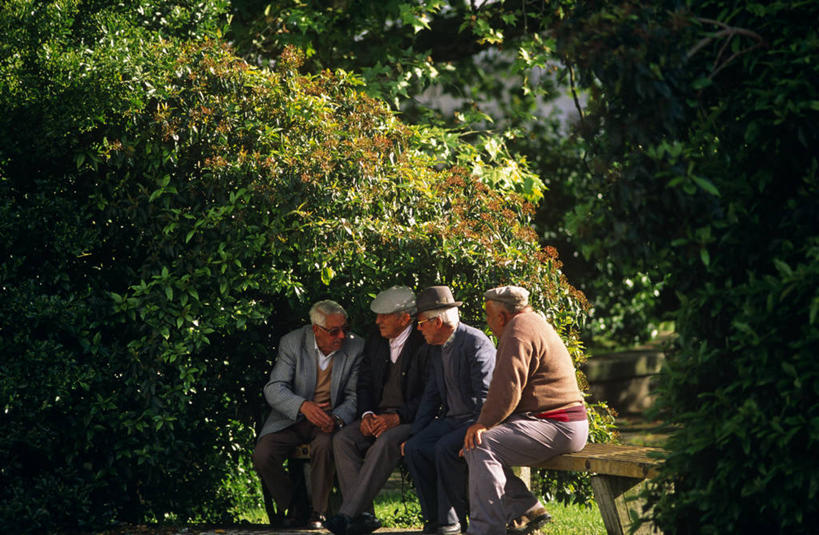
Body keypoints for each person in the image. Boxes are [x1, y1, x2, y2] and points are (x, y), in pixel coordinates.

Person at [462, 286, 588, 535]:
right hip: (557, 423)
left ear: (501, 316)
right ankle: (526, 509)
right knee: (475, 445)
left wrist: (483, 424)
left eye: (488, 315)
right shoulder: (531, 322)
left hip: (559, 424)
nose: (487, 323)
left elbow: (508, 390)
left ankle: (485, 530)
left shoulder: (517, 330)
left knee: (480, 443)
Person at [325, 286, 429, 535]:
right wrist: (366, 414)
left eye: (384, 315)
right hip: (378, 416)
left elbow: (430, 395)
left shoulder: (423, 341)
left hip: (410, 420)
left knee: (385, 443)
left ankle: (347, 514)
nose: (377, 320)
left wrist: (397, 417)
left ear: (405, 318)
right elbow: (364, 382)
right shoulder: (376, 339)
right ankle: (364, 516)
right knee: (342, 440)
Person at [252, 300, 365, 529]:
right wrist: (303, 406)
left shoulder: (356, 347)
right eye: (334, 331)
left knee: (325, 446)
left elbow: (355, 396)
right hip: (292, 418)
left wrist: (336, 418)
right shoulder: (292, 342)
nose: (342, 336)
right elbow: (274, 388)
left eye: (345, 328)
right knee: (263, 454)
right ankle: (295, 505)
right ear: (316, 329)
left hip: (329, 421)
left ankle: (318, 512)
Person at [403, 286, 496, 535]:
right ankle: (435, 520)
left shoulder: (476, 343)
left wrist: (475, 428)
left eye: (421, 324)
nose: (418, 329)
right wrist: (415, 434)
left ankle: (457, 521)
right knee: (415, 448)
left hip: (477, 420)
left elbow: (486, 397)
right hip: (452, 420)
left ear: (438, 321)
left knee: (445, 448)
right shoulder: (436, 349)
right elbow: (431, 397)